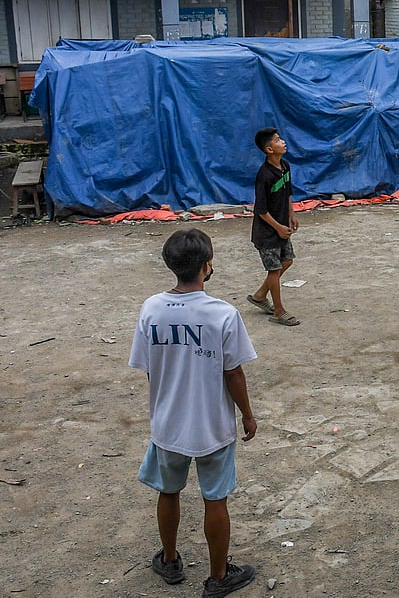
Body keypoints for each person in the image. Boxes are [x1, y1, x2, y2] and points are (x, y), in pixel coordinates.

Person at [130, 229, 258, 598]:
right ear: (207, 266)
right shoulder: (223, 314)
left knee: (168, 492)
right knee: (214, 499)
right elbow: (232, 372)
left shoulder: (151, 308)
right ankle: (218, 577)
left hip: (168, 423)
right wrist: (247, 415)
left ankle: (169, 559)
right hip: (212, 424)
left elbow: (150, 367)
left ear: (170, 265)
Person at [247, 127, 300, 326]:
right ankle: (278, 311)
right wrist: (278, 227)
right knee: (274, 270)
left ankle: (260, 295)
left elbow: (287, 193)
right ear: (269, 149)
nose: (283, 142)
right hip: (267, 232)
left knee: (287, 261)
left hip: (282, 227)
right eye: (278, 140)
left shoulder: (285, 166)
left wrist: (292, 214)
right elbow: (260, 210)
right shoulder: (264, 176)